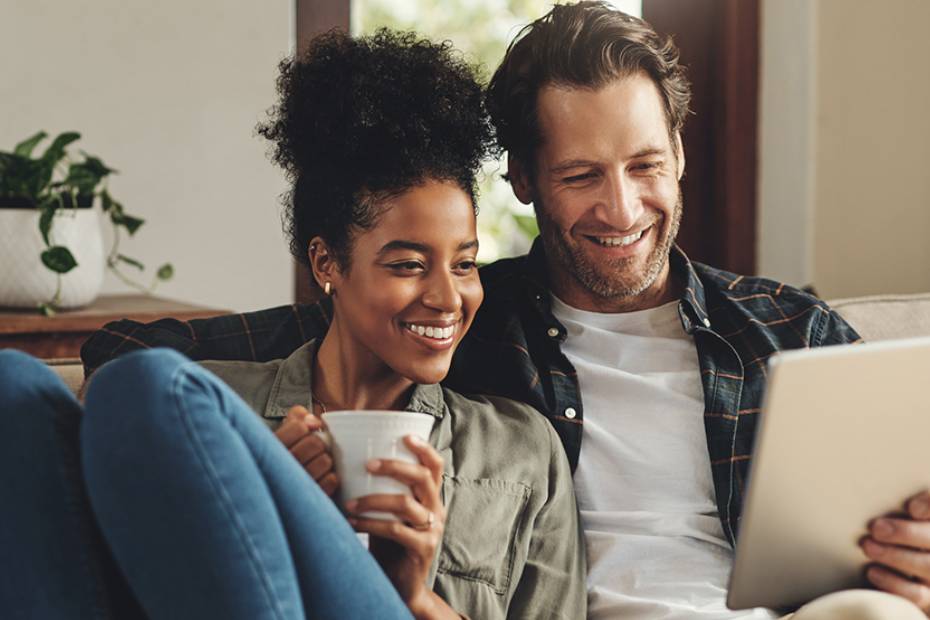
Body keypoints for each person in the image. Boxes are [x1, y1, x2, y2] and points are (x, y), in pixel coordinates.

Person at [78, 3, 930, 619]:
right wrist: (251, 452)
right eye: (581, 176)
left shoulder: (791, 332)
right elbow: (146, 365)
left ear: (678, 152)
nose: (623, 209)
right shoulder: (472, 322)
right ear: (523, 180)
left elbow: (897, 497)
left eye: (644, 165)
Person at [0, 29, 585, 620]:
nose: (447, 297)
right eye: (408, 265)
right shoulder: (218, 413)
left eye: (464, 264)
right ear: (326, 263)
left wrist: (412, 597)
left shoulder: (520, 452)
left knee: (148, 382)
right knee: (13, 386)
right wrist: (262, 493)